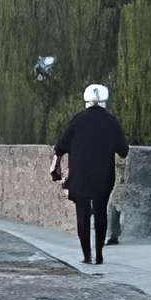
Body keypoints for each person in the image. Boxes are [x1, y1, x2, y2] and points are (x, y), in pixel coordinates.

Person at [51, 83, 131, 266]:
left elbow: (61, 146)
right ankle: (100, 254)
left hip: (80, 175)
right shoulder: (111, 121)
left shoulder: (78, 120)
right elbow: (123, 151)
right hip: (104, 175)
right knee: (101, 212)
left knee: (82, 214)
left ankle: (87, 255)